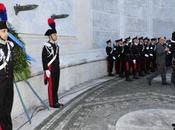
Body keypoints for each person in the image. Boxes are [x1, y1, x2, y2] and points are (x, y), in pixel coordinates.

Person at [0, 3, 14, 130]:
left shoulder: (10, 45)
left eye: (7, 31)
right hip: (0, 84)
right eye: (3, 31)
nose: (6, 33)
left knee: (8, 108)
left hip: (9, 82)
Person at [42, 28, 64, 108]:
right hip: (50, 69)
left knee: (56, 85)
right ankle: (52, 103)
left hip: (56, 68)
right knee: (51, 86)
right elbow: (44, 58)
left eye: (56, 34)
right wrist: (46, 69)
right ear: (50, 36)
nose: (56, 36)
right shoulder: (46, 46)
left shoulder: (56, 45)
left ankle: (56, 101)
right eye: (54, 35)